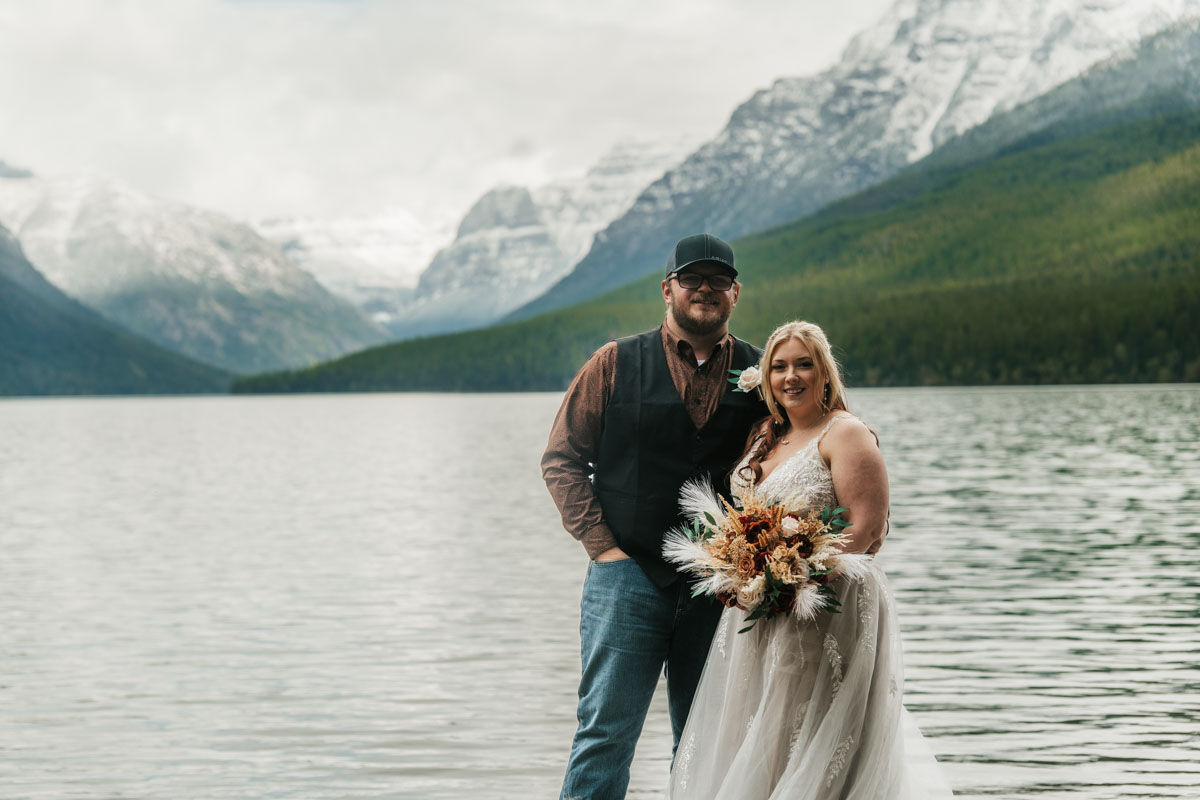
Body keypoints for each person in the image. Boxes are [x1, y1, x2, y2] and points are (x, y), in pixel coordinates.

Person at [666, 320, 954, 799]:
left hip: (827, 603)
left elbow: (867, 530)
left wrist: (789, 574)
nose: (790, 376)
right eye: (779, 367)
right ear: (766, 377)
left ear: (825, 373)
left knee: (814, 720)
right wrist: (745, 570)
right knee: (765, 722)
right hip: (761, 606)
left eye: (804, 364)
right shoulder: (764, 434)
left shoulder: (846, 434)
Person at [542, 233, 768, 800]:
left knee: (707, 741)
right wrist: (604, 551)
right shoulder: (614, 362)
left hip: (720, 588)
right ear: (667, 289)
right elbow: (562, 459)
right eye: (693, 279)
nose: (705, 290)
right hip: (627, 579)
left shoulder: (763, 371)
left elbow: (810, 441)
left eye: (719, 281)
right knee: (604, 738)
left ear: (735, 293)